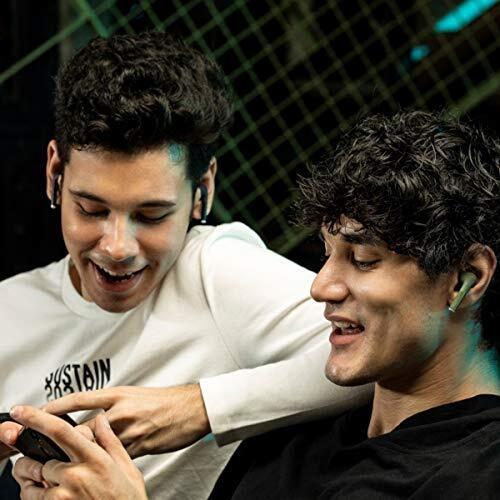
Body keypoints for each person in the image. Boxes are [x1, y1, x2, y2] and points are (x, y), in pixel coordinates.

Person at [0, 32, 370, 499]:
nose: (117, 247)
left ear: (202, 191)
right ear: (55, 171)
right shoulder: (8, 312)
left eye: (152, 215)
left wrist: (198, 408)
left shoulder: (215, 269)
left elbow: (381, 354)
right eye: (90, 210)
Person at [208, 110, 500, 498]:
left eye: (363, 259)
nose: (321, 287)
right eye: (326, 253)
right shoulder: (290, 438)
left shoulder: (483, 474)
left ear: (466, 277)